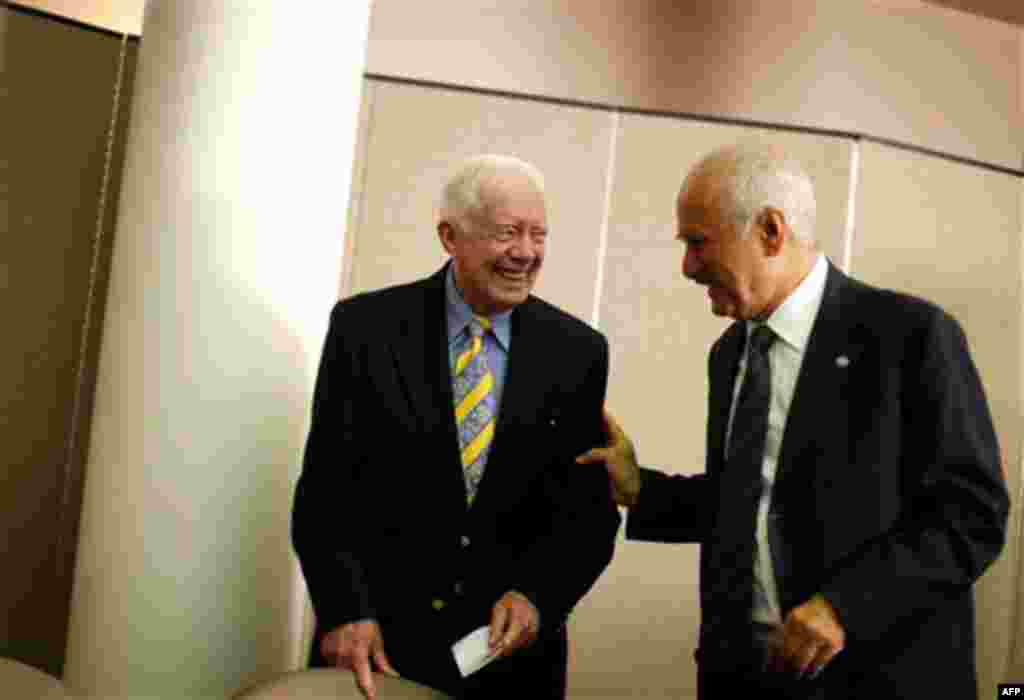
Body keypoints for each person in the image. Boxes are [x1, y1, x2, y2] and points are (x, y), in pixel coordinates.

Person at [577, 143, 1009, 699]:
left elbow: (971, 514)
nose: (687, 267)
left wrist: (845, 606)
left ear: (771, 231)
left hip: (877, 681)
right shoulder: (730, 353)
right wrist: (643, 490)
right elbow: (754, 502)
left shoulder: (909, 336)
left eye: (698, 242)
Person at [293, 154, 619, 700]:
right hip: (377, 651)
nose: (526, 252)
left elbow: (587, 517)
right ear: (450, 236)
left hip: (508, 663)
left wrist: (537, 596)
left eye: (538, 234)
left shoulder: (578, 352)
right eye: (507, 233)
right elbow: (325, 492)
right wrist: (344, 610)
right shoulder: (365, 329)